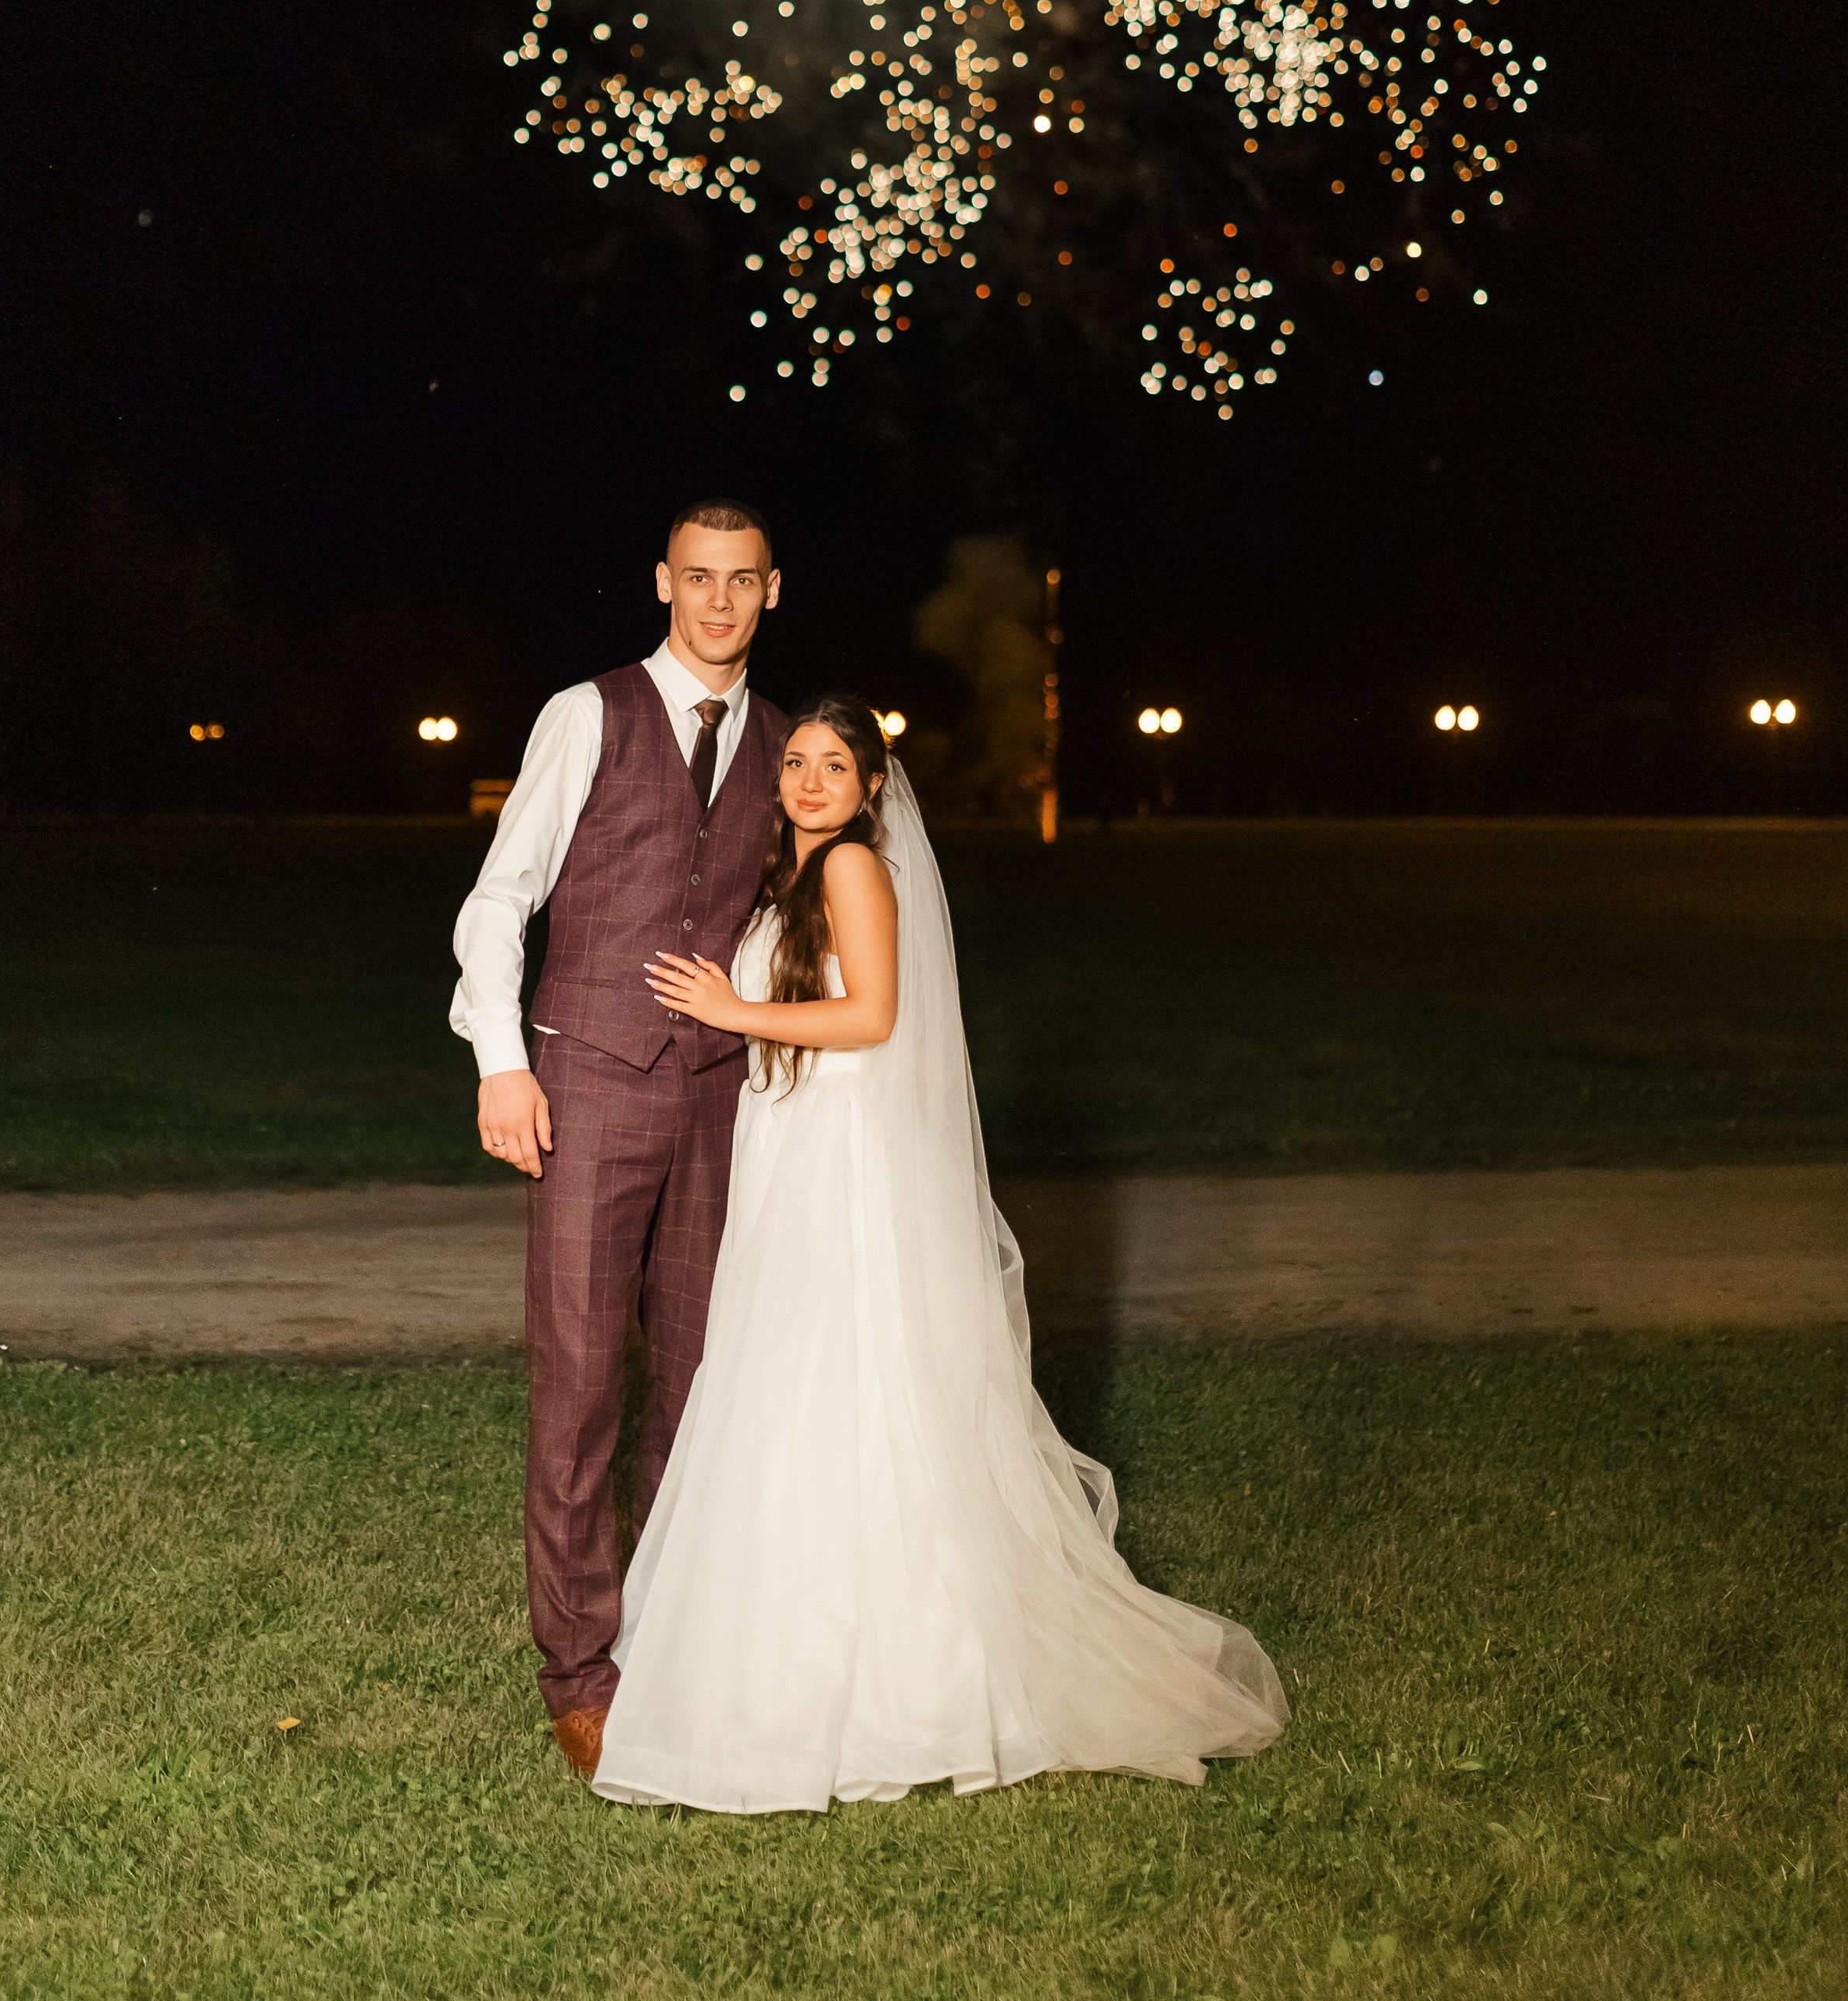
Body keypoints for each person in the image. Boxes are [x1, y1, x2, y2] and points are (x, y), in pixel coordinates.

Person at [593, 694, 1288, 1812]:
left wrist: (734, 1011)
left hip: (847, 1161)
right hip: (800, 1150)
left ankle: (909, 1677)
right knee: (790, 1384)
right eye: (799, 763)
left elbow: (871, 1018)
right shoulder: (794, 876)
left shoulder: (854, 872)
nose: (813, 780)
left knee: (846, 1380)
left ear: (873, 786)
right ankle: (775, 1655)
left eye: (837, 765)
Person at [449, 502, 788, 1781]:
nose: (716, 602)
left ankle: (679, 1632)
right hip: (588, 1080)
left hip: (723, 1094)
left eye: (740, 581)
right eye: (696, 578)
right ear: (662, 581)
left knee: (703, 1385)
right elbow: (502, 898)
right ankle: (580, 1673)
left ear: (771, 590)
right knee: (583, 1387)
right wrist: (502, 1060)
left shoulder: (787, 742)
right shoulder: (587, 714)